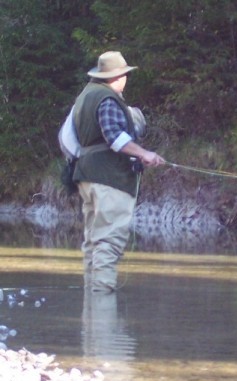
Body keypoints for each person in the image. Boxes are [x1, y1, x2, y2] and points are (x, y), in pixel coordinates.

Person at [72, 51, 165, 293]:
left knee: (93, 242)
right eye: (125, 74)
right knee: (108, 241)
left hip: (87, 176)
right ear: (119, 76)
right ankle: (102, 301)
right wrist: (144, 153)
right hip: (109, 180)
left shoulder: (85, 95)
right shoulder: (107, 98)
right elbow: (114, 138)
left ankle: (92, 310)